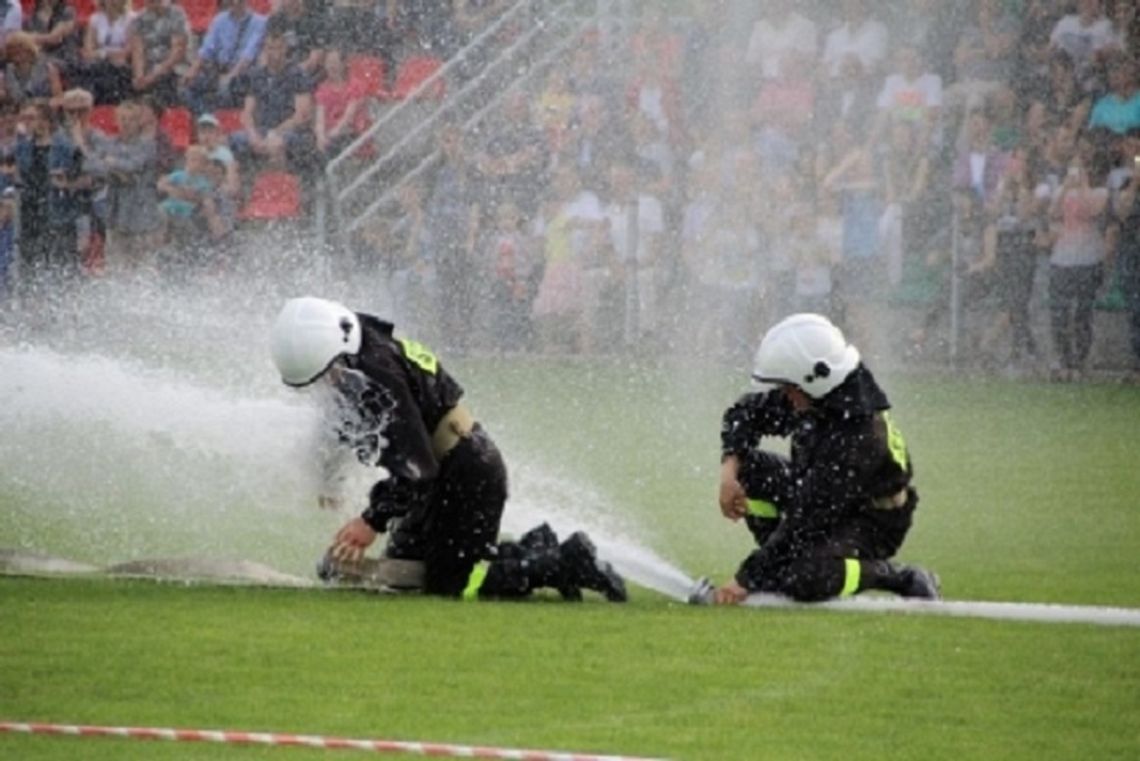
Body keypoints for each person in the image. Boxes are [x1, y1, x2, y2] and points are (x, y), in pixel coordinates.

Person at [269, 296, 628, 603]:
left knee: (454, 584)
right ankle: (537, 545)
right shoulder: (357, 347)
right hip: (446, 473)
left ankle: (565, 562)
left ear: (337, 356)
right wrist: (328, 476)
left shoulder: (378, 377)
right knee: (404, 570)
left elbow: (417, 468)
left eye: (324, 375)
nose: (324, 385)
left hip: (467, 475)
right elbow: (343, 421)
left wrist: (371, 521)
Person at [707, 313, 940, 605]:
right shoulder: (819, 394)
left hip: (872, 520)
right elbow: (745, 414)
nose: (785, 395)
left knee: (806, 576)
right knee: (748, 469)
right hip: (817, 493)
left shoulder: (857, 436)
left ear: (812, 377)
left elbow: (804, 522)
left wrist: (745, 579)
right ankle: (778, 568)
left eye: (788, 388)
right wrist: (729, 473)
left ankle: (895, 576)